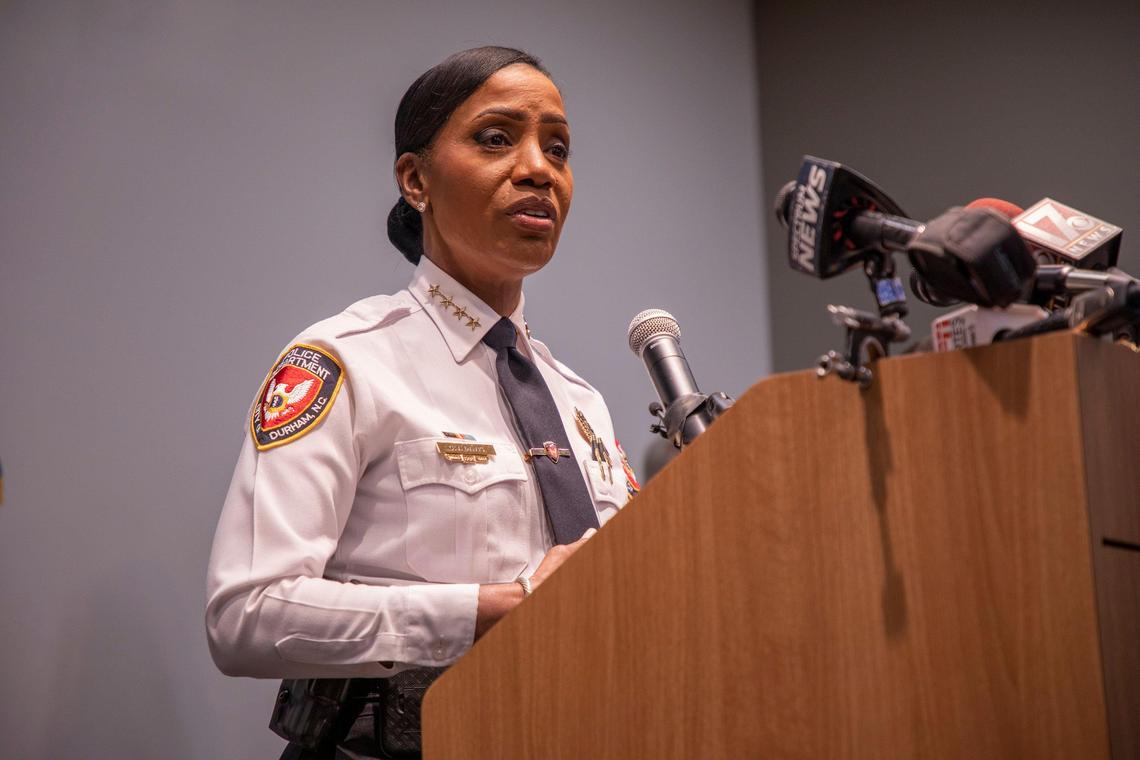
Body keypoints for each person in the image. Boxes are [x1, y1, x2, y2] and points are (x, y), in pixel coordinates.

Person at [205, 46, 639, 759]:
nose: (538, 168)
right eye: (497, 138)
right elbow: (245, 616)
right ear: (416, 179)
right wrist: (496, 611)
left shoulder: (582, 401)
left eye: (557, 148)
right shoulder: (345, 361)